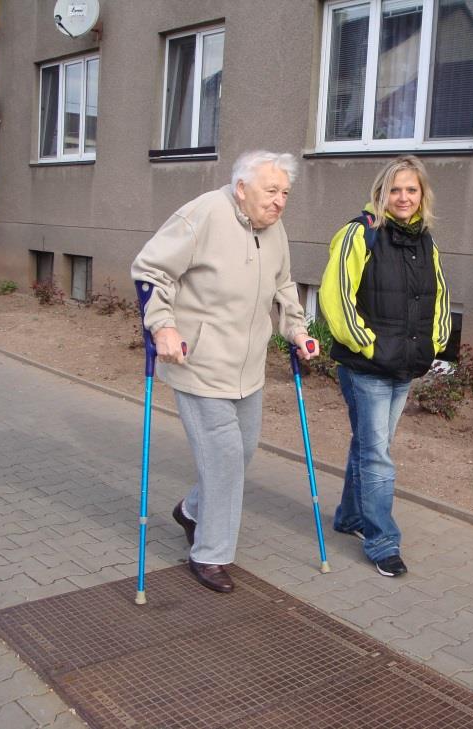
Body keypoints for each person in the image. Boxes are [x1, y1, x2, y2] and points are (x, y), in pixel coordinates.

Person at [131, 150, 317, 594]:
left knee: (244, 451)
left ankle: (191, 510)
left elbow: (285, 283)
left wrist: (296, 329)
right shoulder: (203, 215)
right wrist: (164, 326)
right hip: (198, 363)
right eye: (271, 191)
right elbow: (151, 271)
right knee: (224, 459)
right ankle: (210, 554)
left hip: (248, 367)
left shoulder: (274, 229)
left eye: (285, 193)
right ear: (241, 189)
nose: (279, 202)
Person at [319, 156, 451, 577]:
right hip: (368, 366)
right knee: (378, 456)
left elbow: (440, 297)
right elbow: (335, 297)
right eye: (396, 190)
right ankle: (382, 541)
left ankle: (350, 517)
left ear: (422, 195)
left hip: (404, 365)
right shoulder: (361, 234)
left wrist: (436, 342)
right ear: (381, 193)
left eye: (412, 190)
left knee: (369, 446)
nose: (404, 197)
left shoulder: (425, 241)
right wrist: (368, 345)